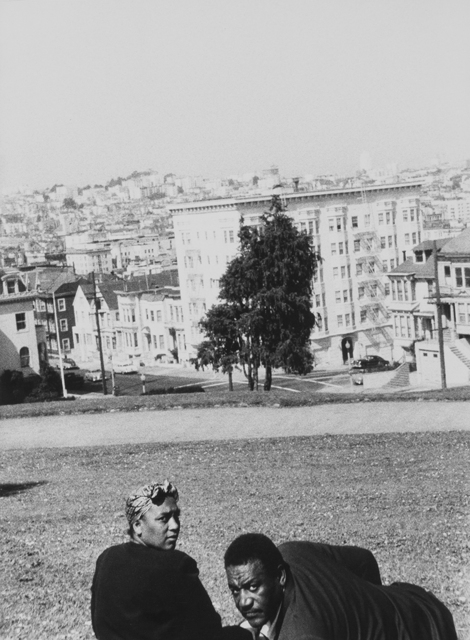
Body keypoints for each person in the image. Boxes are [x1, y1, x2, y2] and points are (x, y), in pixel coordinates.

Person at [91, 480, 248, 640]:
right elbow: (209, 628)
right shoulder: (176, 565)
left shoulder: (106, 558)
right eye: (164, 519)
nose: (175, 525)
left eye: (176, 516)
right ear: (137, 526)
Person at [224, 533, 457, 640]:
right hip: (414, 600)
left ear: (280, 577)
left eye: (253, 587)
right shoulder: (289, 552)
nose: (243, 601)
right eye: (235, 590)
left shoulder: (303, 634)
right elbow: (364, 559)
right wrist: (369, 609)